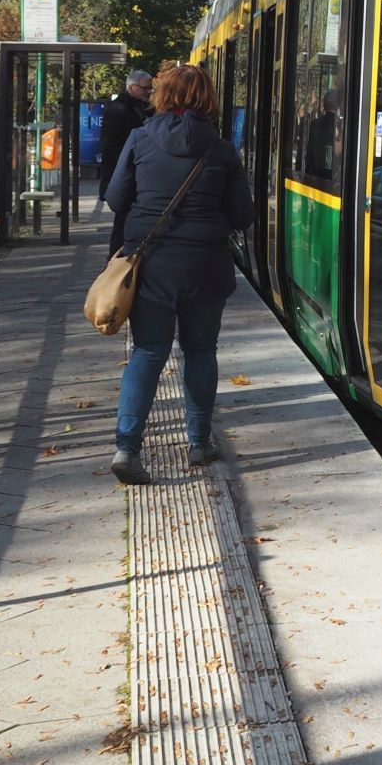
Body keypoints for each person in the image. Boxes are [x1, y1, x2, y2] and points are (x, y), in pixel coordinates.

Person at [104, 63, 253, 486]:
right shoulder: (222, 150)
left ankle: (127, 448)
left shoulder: (139, 138)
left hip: (150, 264)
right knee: (201, 350)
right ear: (206, 97)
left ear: (161, 95)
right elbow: (243, 215)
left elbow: (116, 199)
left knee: (149, 352)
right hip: (205, 264)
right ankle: (198, 442)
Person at [96, 69, 152, 239]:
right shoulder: (119, 108)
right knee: (122, 224)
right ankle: (115, 261)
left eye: (150, 88)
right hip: (124, 176)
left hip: (132, 175)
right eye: (145, 88)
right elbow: (109, 146)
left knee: (126, 222)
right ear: (132, 87)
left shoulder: (143, 107)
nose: (149, 92)